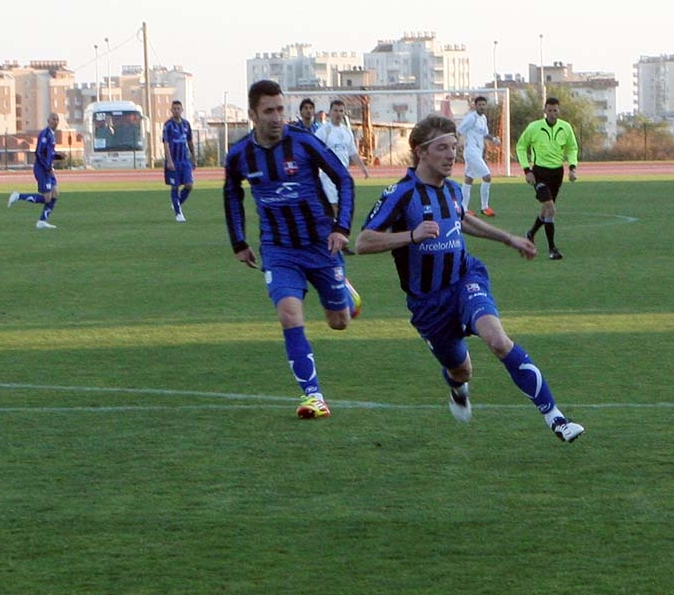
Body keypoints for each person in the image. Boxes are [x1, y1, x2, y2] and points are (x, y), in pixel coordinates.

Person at [355, 114, 585, 443]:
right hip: (428, 303)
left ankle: (556, 418)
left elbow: (462, 220)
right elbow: (363, 242)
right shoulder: (400, 194)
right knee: (461, 370)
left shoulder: (451, 190)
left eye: (455, 147)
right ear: (421, 152)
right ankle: (457, 387)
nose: (452, 155)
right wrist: (411, 235)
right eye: (443, 148)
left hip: (465, 278)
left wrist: (509, 239)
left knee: (498, 340)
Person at [223, 80, 363, 420]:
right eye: (268, 111)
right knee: (289, 314)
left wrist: (341, 228)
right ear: (253, 114)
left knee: (339, 322)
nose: (276, 117)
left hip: (320, 244)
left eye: (280, 110)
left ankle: (346, 293)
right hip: (278, 249)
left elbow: (344, 179)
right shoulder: (239, 154)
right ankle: (313, 395)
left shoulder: (303, 142)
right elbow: (231, 194)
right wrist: (239, 242)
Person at [515, 97, 579, 260]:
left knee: (546, 209)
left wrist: (572, 168)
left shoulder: (566, 127)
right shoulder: (534, 127)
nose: (552, 113)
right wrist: (527, 170)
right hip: (539, 173)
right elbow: (521, 147)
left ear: (559, 111)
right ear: (545, 110)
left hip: (557, 173)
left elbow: (572, 148)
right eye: (549, 110)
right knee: (551, 208)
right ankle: (552, 249)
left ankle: (531, 233)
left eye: (555, 110)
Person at [315, 99, 370, 255]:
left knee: (342, 208)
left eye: (341, 111)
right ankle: (334, 240)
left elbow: (353, 153)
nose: (338, 114)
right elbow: (314, 152)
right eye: (335, 110)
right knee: (333, 208)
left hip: (343, 176)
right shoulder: (323, 131)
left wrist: (364, 169)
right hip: (328, 176)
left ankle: (338, 240)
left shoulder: (346, 131)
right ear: (330, 112)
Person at [8, 113, 64, 229]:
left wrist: (58, 156)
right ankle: (18, 196)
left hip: (48, 169)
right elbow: (38, 153)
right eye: (54, 119)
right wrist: (47, 168)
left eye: (57, 119)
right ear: (48, 120)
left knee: (55, 194)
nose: (56, 121)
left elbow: (48, 154)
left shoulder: (52, 135)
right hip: (42, 169)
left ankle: (42, 221)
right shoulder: (45, 134)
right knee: (47, 198)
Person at [457, 95, 501, 216]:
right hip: (471, 152)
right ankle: (484, 207)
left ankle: (464, 208)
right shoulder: (471, 118)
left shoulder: (483, 118)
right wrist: (455, 145)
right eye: (479, 105)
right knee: (487, 176)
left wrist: (494, 139)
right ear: (475, 106)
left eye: (483, 105)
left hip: (477, 151)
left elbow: (484, 133)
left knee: (469, 179)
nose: (482, 107)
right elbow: (459, 130)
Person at [162, 100, 195, 222]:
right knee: (175, 186)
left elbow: (190, 141)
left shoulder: (186, 124)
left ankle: (177, 203)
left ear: (182, 110)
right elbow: (166, 143)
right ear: (171, 110)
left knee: (189, 185)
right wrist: (169, 161)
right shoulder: (168, 125)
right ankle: (178, 214)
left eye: (178, 108)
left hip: (184, 160)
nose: (176, 111)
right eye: (174, 109)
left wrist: (194, 157)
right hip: (174, 161)